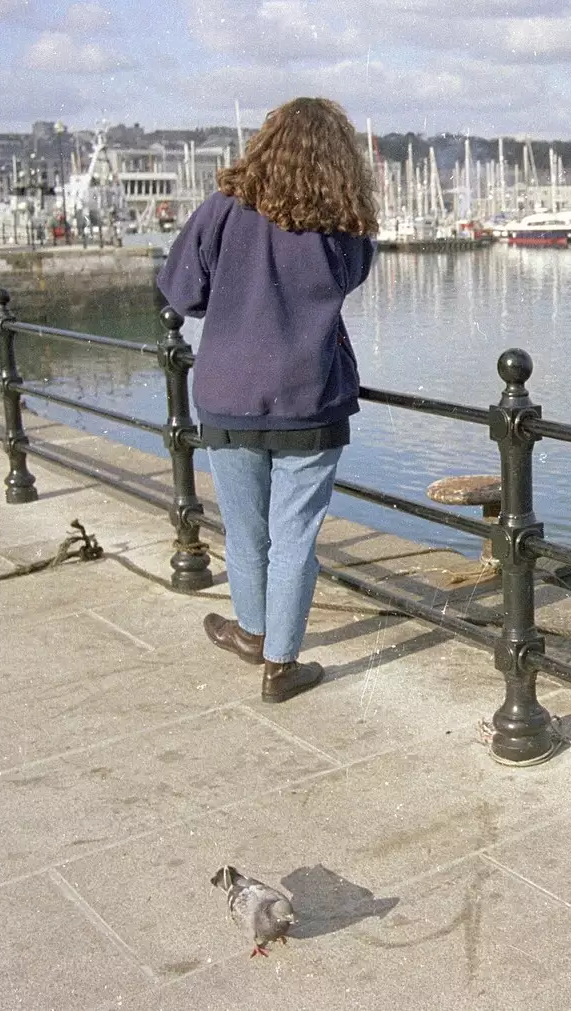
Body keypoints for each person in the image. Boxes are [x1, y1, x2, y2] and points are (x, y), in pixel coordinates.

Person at [157, 97, 378, 704]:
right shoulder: (343, 221)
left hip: (228, 392)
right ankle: (280, 664)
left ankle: (254, 632)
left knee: (246, 530)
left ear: (264, 143)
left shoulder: (223, 209)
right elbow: (349, 280)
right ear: (341, 159)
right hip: (311, 394)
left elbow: (181, 291)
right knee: (295, 536)